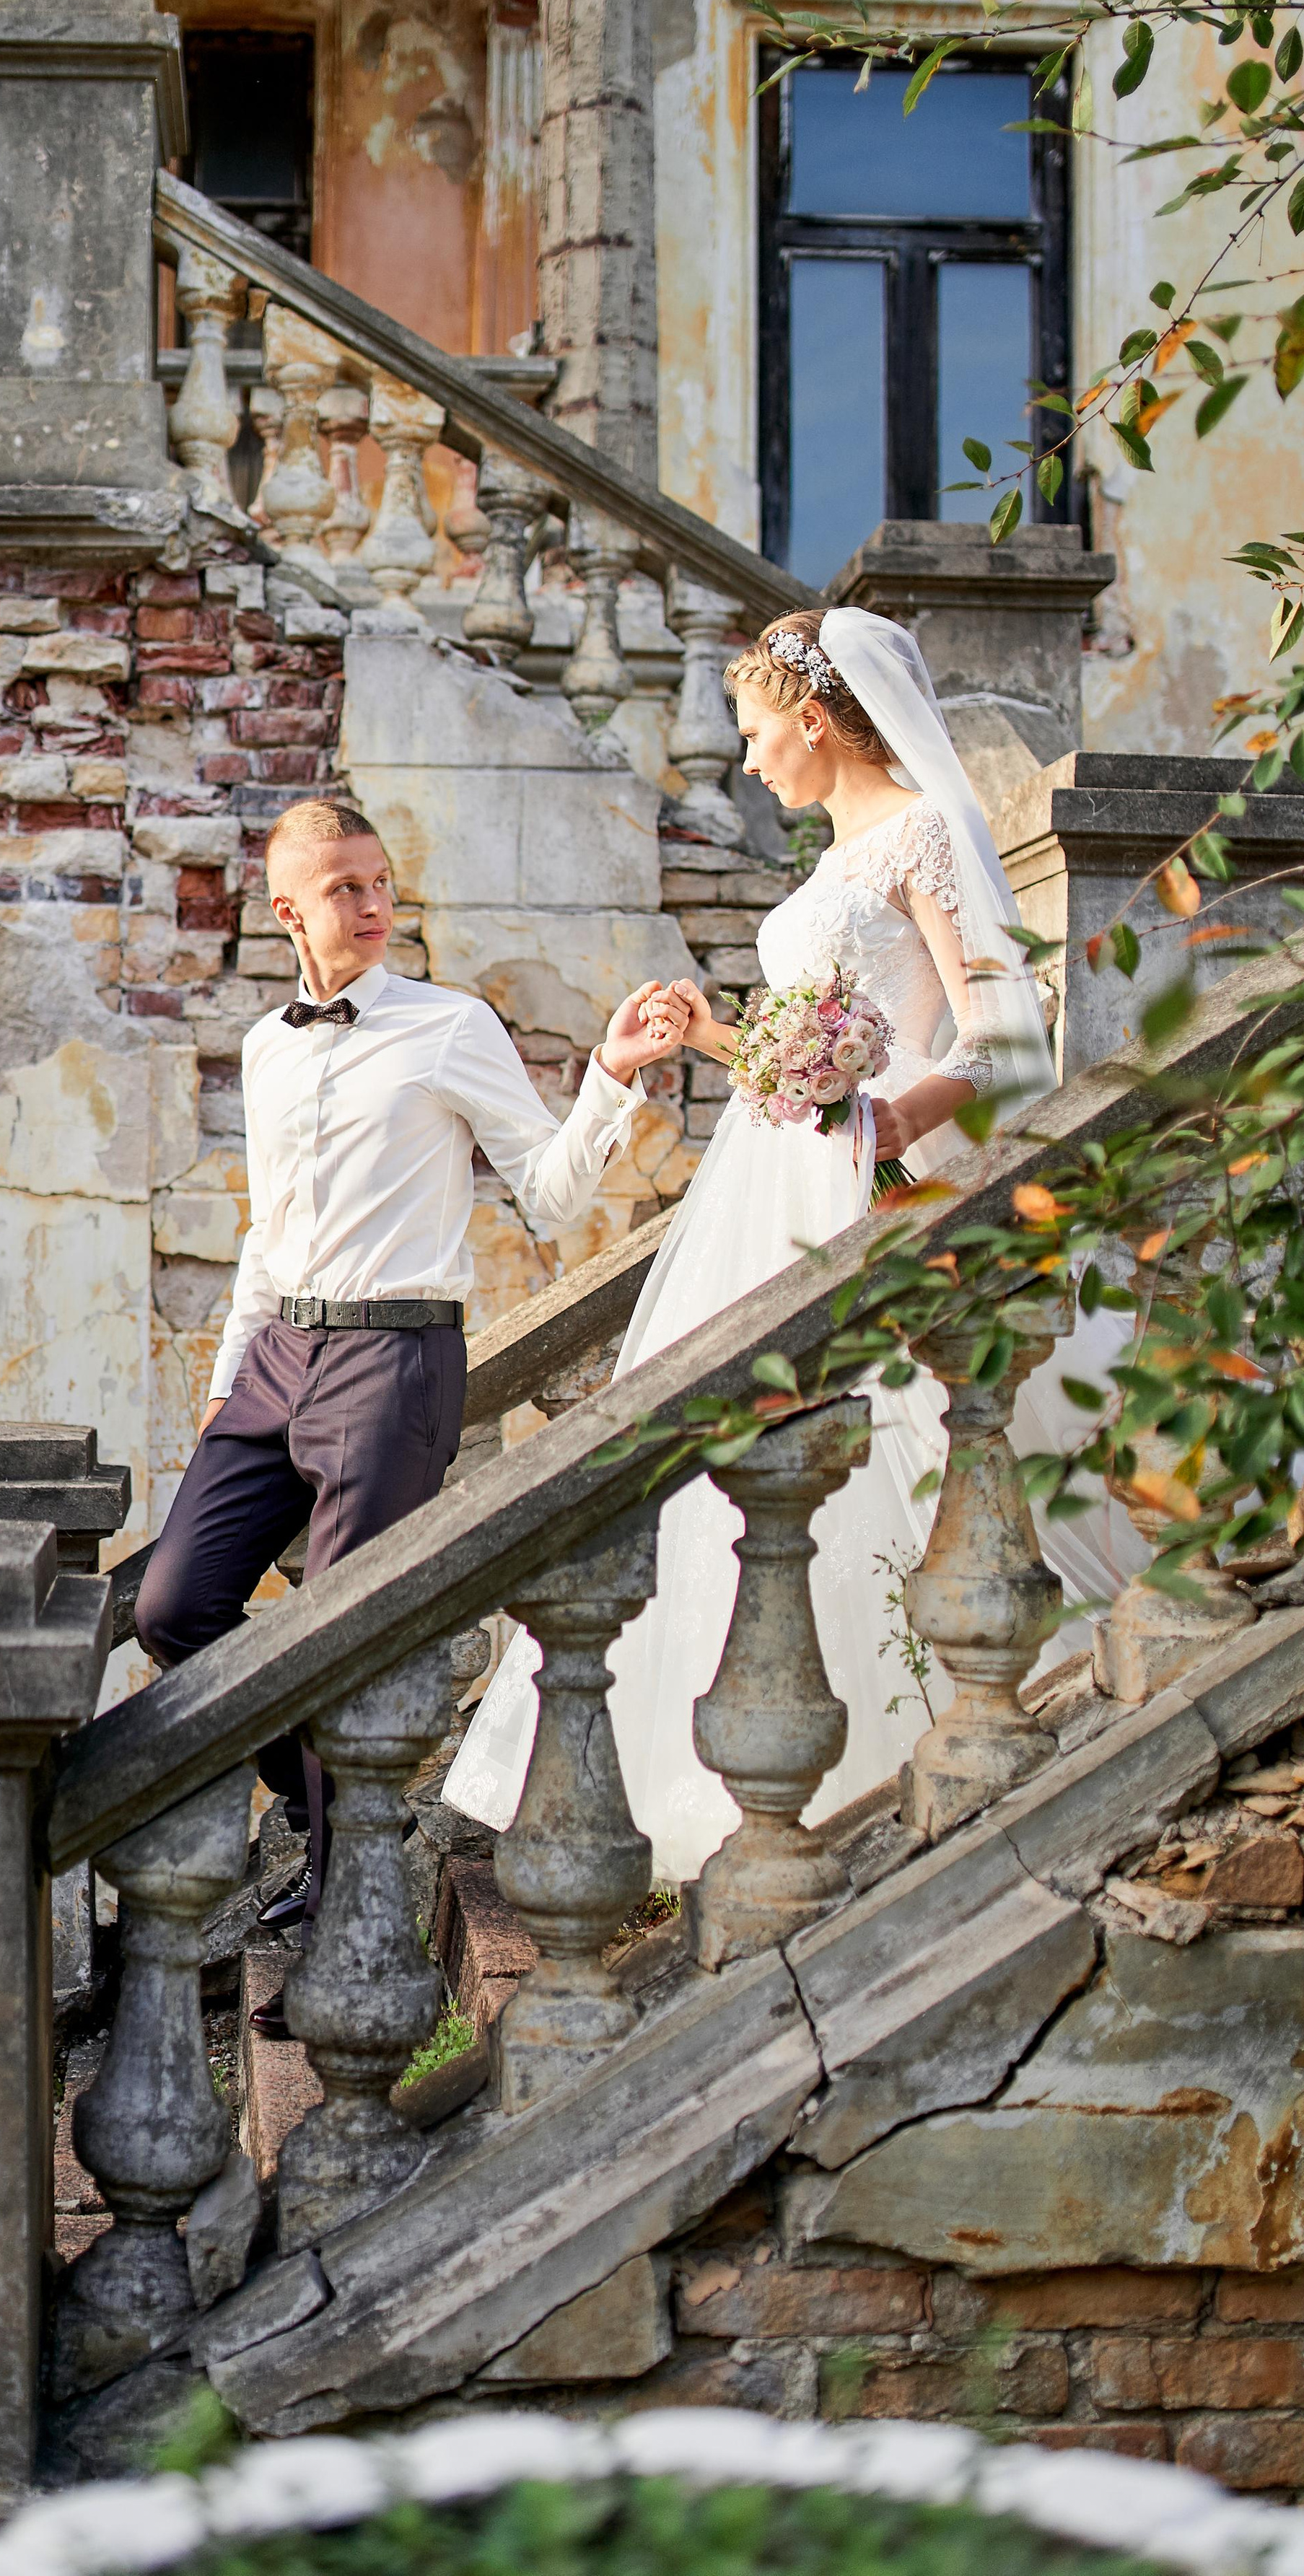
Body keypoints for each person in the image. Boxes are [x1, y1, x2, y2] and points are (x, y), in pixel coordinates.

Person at [444, 605, 1145, 1883]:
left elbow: (1002, 1046)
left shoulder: (925, 837)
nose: (752, 761)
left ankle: (897, 1747)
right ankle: (722, 1774)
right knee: (733, 1462)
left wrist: (885, 1120)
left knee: (863, 1445)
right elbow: (805, 1066)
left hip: (863, 1198)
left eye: (760, 734)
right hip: (771, 1192)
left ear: (818, 720)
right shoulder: (829, 862)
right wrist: (711, 1038)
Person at [134, 795, 687, 2029]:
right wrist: (231, 1374)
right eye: (346, 889)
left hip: (395, 1360)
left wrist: (610, 1078)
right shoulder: (267, 1047)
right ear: (291, 911)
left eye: (382, 883)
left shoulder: (451, 1027)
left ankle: (350, 1941)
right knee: (175, 1605)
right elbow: (266, 1232)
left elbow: (546, 1196)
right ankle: (302, 1786)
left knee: (351, 1645)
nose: (375, 905)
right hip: (279, 1355)